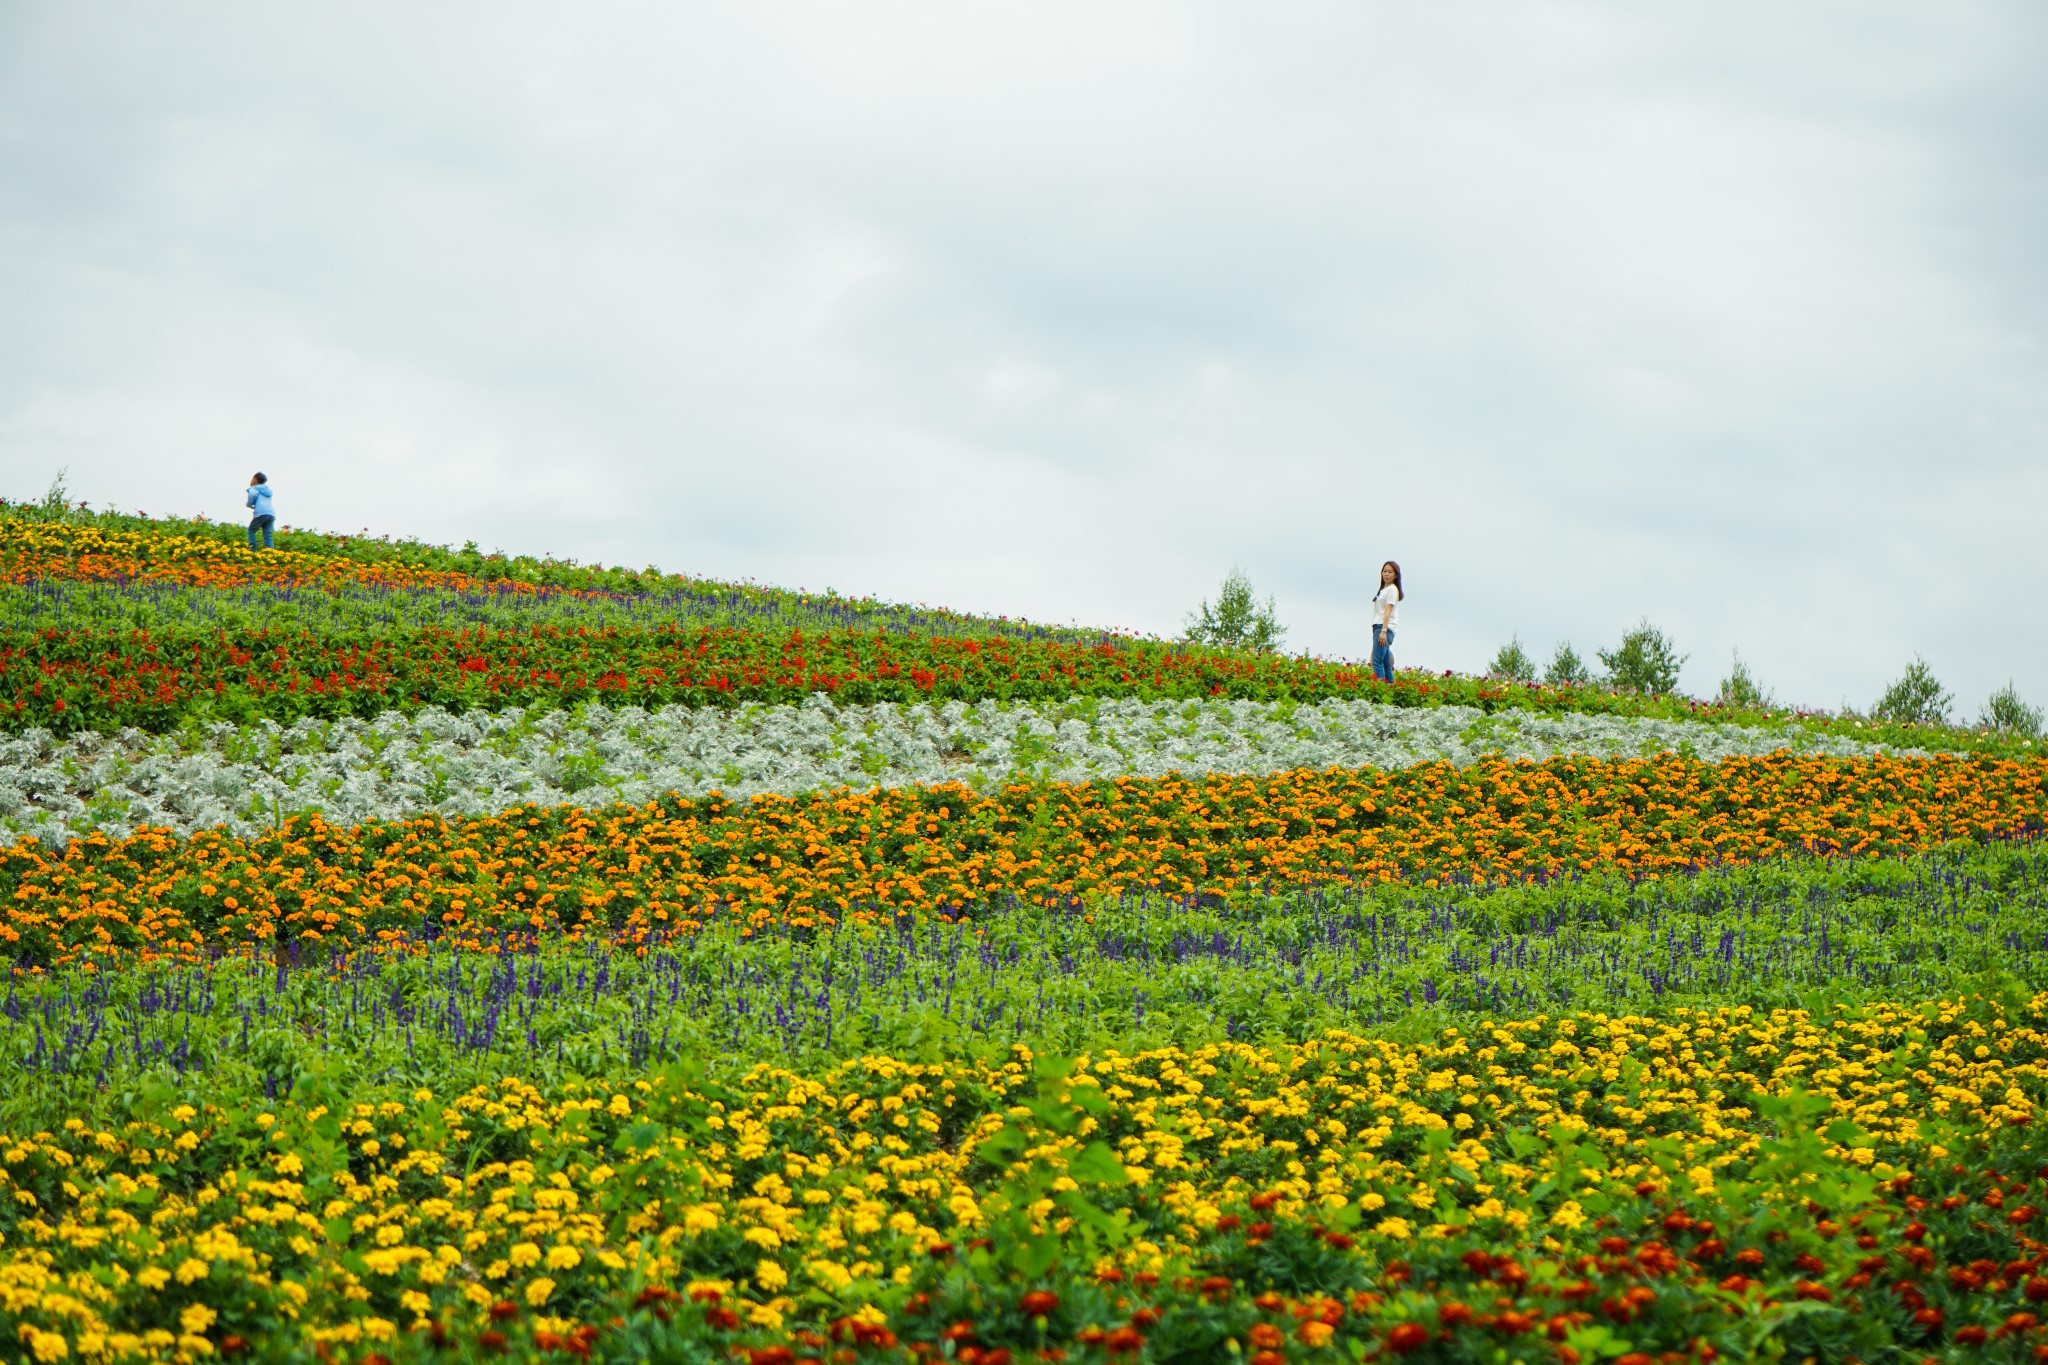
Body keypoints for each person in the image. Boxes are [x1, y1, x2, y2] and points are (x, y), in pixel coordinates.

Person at [1370, 560, 1402, 683]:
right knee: (1385, 663)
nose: (1386, 574)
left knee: (1377, 662)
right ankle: (1390, 688)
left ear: (1395, 575)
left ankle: (1380, 689)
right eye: (1384, 571)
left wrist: (1383, 631)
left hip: (1384, 628)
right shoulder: (1385, 589)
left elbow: (1388, 611)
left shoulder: (1392, 590)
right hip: (1380, 626)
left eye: (1390, 572)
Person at [246, 473, 276, 549]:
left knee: (251, 530)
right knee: (267, 535)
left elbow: (252, 495)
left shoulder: (254, 489)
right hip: (271, 513)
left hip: (261, 513)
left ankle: (252, 549)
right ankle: (270, 552)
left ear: (255, 479)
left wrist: (249, 504)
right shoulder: (267, 491)